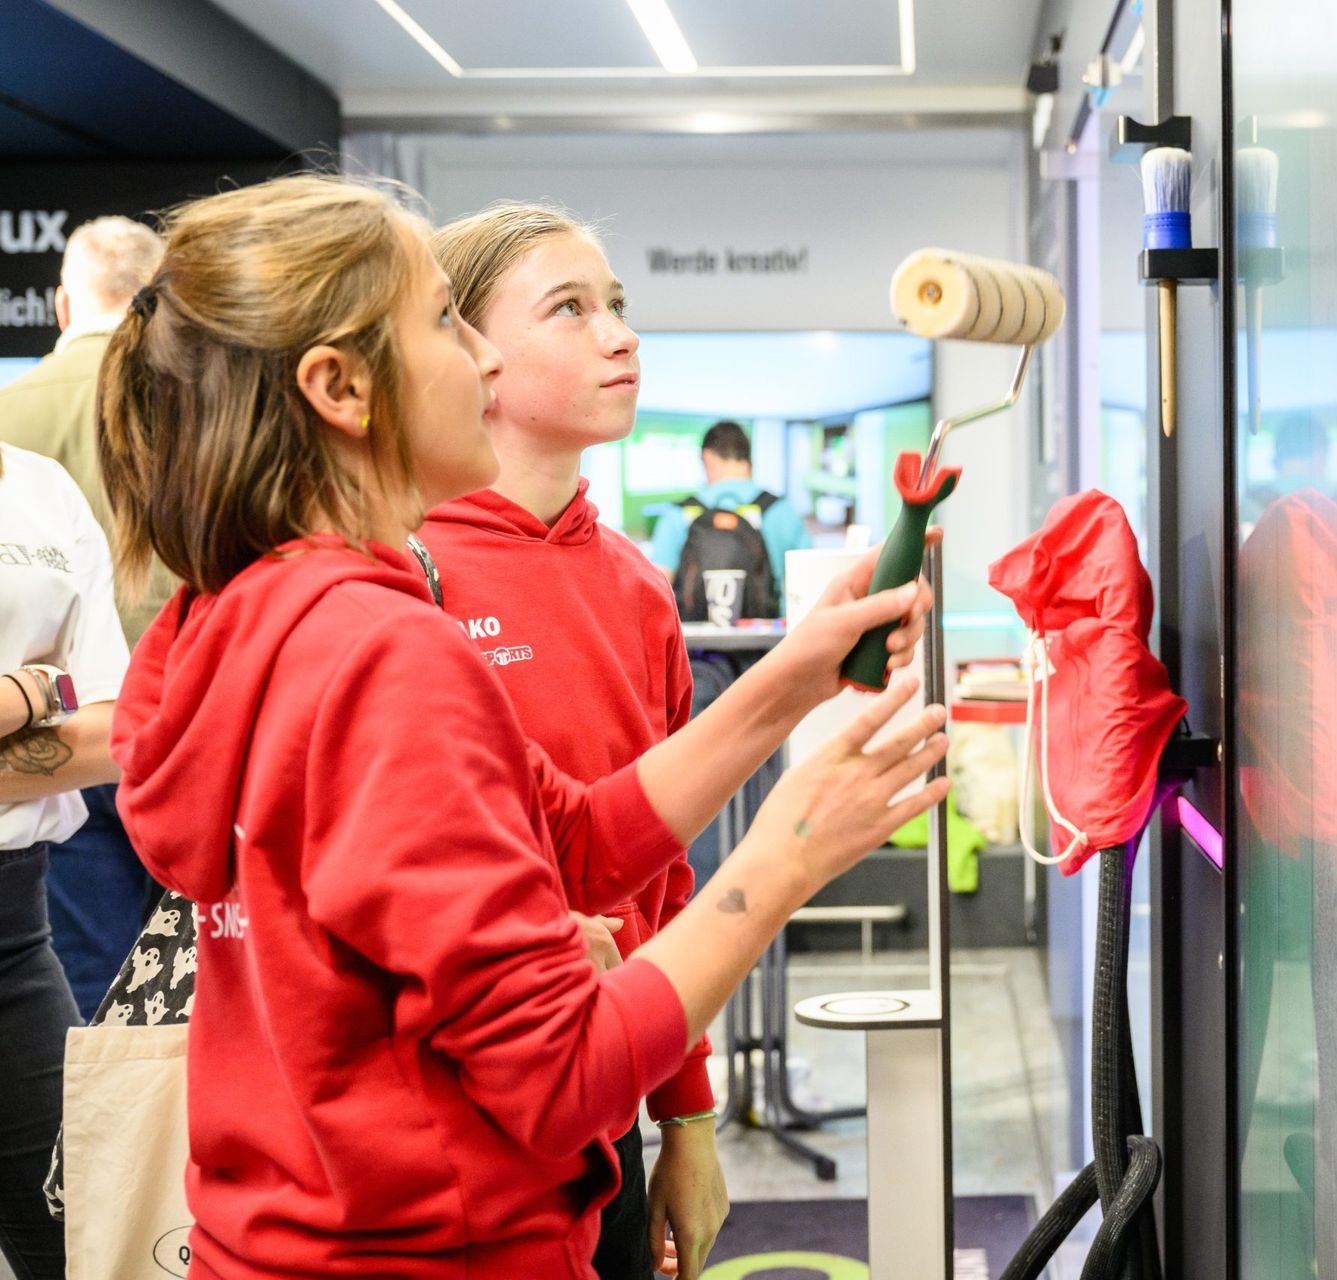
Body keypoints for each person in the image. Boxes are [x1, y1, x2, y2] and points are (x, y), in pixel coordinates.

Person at [94, 173, 949, 1279]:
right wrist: (790, 849)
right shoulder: (385, 652)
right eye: (446, 322)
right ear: (341, 387)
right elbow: (561, 1074)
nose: (483, 362)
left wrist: (791, 678)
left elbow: (578, 840)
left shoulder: (241, 612)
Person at [425, 204, 927, 1279]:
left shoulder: (637, 587)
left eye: (617, 304)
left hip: (601, 1098)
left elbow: (645, 874)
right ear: (471, 354)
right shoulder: (404, 579)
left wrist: (684, 1115)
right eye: (570, 308)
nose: (621, 334)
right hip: (449, 1124)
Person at [0, 214, 171, 1017]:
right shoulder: (202, 401)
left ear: (63, 306)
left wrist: (34, 691)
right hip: (176, 717)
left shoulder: (17, 410)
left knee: (94, 980)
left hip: (66, 742)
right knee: (186, 978)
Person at [0, 442, 129, 1280]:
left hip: (13, 937)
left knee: (82, 1243)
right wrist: (34, 689)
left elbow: (114, 728)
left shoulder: (43, 488)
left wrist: (55, 696)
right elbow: (76, 699)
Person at [650, 420, 811, 619]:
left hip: (693, 637)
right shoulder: (781, 510)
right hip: (766, 635)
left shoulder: (678, 514)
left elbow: (658, 592)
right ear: (748, 459)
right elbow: (809, 585)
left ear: (707, 457)